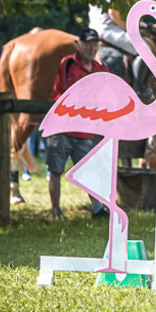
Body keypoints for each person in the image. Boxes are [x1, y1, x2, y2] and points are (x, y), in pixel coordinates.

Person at [44, 28, 110, 219]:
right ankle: (56, 210)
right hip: (61, 129)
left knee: (90, 171)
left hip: (84, 132)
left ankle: (97, 208)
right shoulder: (68, 64)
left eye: (94, 43)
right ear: (79, 45)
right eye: (88, 43)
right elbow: (62, 94)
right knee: (55, 170)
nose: (92, 47)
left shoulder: (101, 69)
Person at [87, 0, 146, 89]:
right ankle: (138, 89)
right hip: (107, 29)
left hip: (99, 26)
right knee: (144, 49)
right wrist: (130, 28)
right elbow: (113, 13)